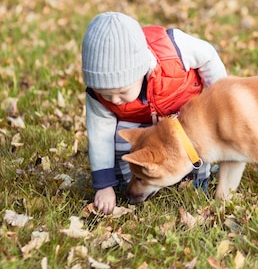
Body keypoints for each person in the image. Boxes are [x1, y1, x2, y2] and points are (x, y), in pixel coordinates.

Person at [81, 12, 227, 214]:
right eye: (106, 94)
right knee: (119, 144)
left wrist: (219, 100)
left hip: (182, 111)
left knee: (197, 145)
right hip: (135, 120)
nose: (113, 100)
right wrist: (104, 184)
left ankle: (196, 183)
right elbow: (100, 136)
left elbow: (208, 55)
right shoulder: (99, 96)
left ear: (140, 72)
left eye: (122, 91)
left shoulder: (175, 49)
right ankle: (127, 183)